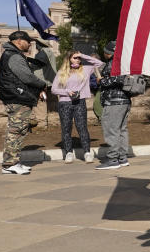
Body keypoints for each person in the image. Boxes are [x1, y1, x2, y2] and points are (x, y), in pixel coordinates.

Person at [0, 31, 48, 175]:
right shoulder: (13, 56)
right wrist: (41, 84)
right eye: (28, 41)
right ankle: (9, 164)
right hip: (17, 97)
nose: (30, 43)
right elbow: (27, 77)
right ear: (19, 41)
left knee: (18, 130)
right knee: (16, 130)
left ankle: (13, 162)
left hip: (17, 97)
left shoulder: (14, 54)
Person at [50, 50, 103, 163]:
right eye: (75, 58)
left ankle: (87, 152)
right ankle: (68, 152)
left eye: (79, 58)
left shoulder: (85, 70)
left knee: (82, 127)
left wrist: (82, 55)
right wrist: (67, 91)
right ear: (69, 59)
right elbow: (53, 89)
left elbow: (99, 63)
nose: (78, 60)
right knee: (66, 128)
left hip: (79, 102)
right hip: (65, 103)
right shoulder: (62, 72)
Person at [95, 40, 132, 170]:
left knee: (111, 129)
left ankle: (113, 160)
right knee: (122, 130)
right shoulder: (125, 62)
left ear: (108, 52)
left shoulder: (114, 63)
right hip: (124, 100)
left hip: (114, 101)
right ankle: (122, 158)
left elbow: (119, 79)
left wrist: (102, 80)